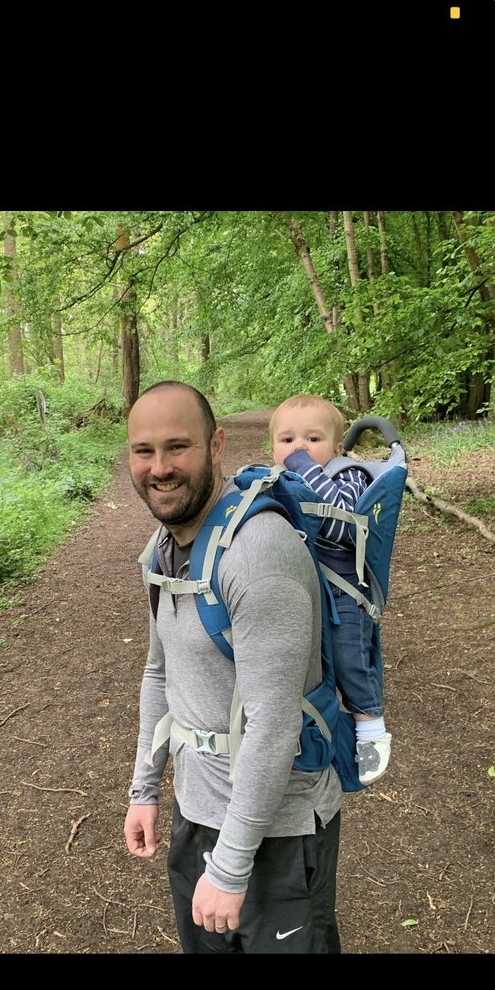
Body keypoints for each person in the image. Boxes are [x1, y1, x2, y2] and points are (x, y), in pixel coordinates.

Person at [124, 381, 343, 954]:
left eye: (179, 447)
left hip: (278, 831)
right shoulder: (165, 549)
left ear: (216, 445)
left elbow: (273, 722)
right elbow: (158, 673)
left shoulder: (258, 553)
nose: (160, 467)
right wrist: (144, 789)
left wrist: (230, 868)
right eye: (144, 451)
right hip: (198, 812)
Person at [270, 393, 391, 785]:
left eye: (312, 440)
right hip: (301, 590)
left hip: (344, 592)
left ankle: (370, 725)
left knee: (349, 659)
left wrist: (305, 467)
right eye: (287, 441)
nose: (299, 448)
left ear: (337, 447)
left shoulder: (345, 475)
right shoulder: (280, 480)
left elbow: (343, 527)